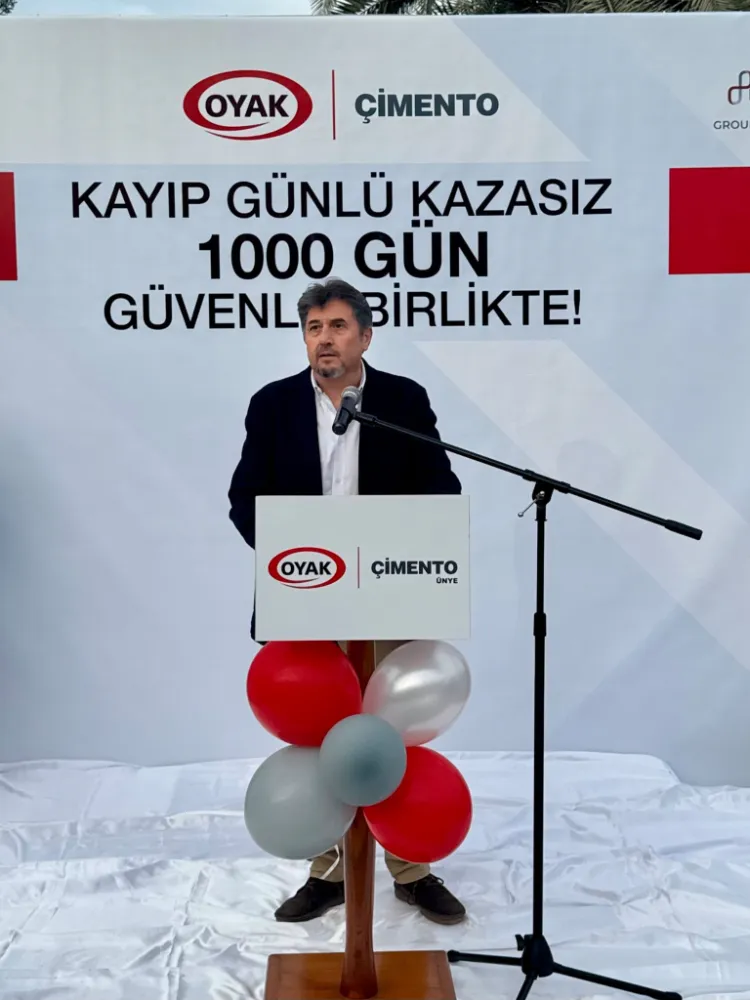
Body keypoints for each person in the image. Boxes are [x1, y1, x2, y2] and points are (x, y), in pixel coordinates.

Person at [228, 277, 466, 926]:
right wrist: (288, 556)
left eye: (337, 326)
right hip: (306, 592)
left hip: (386, 590)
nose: (324, 339)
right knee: (322, 730)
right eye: (313, 328)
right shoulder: (273, 405)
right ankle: (327, 869)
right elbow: (245, 498)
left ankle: (411, 868)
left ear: (365, 335)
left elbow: (439, 488)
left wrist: (395, 545)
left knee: (388, 729)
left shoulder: (402, 399)